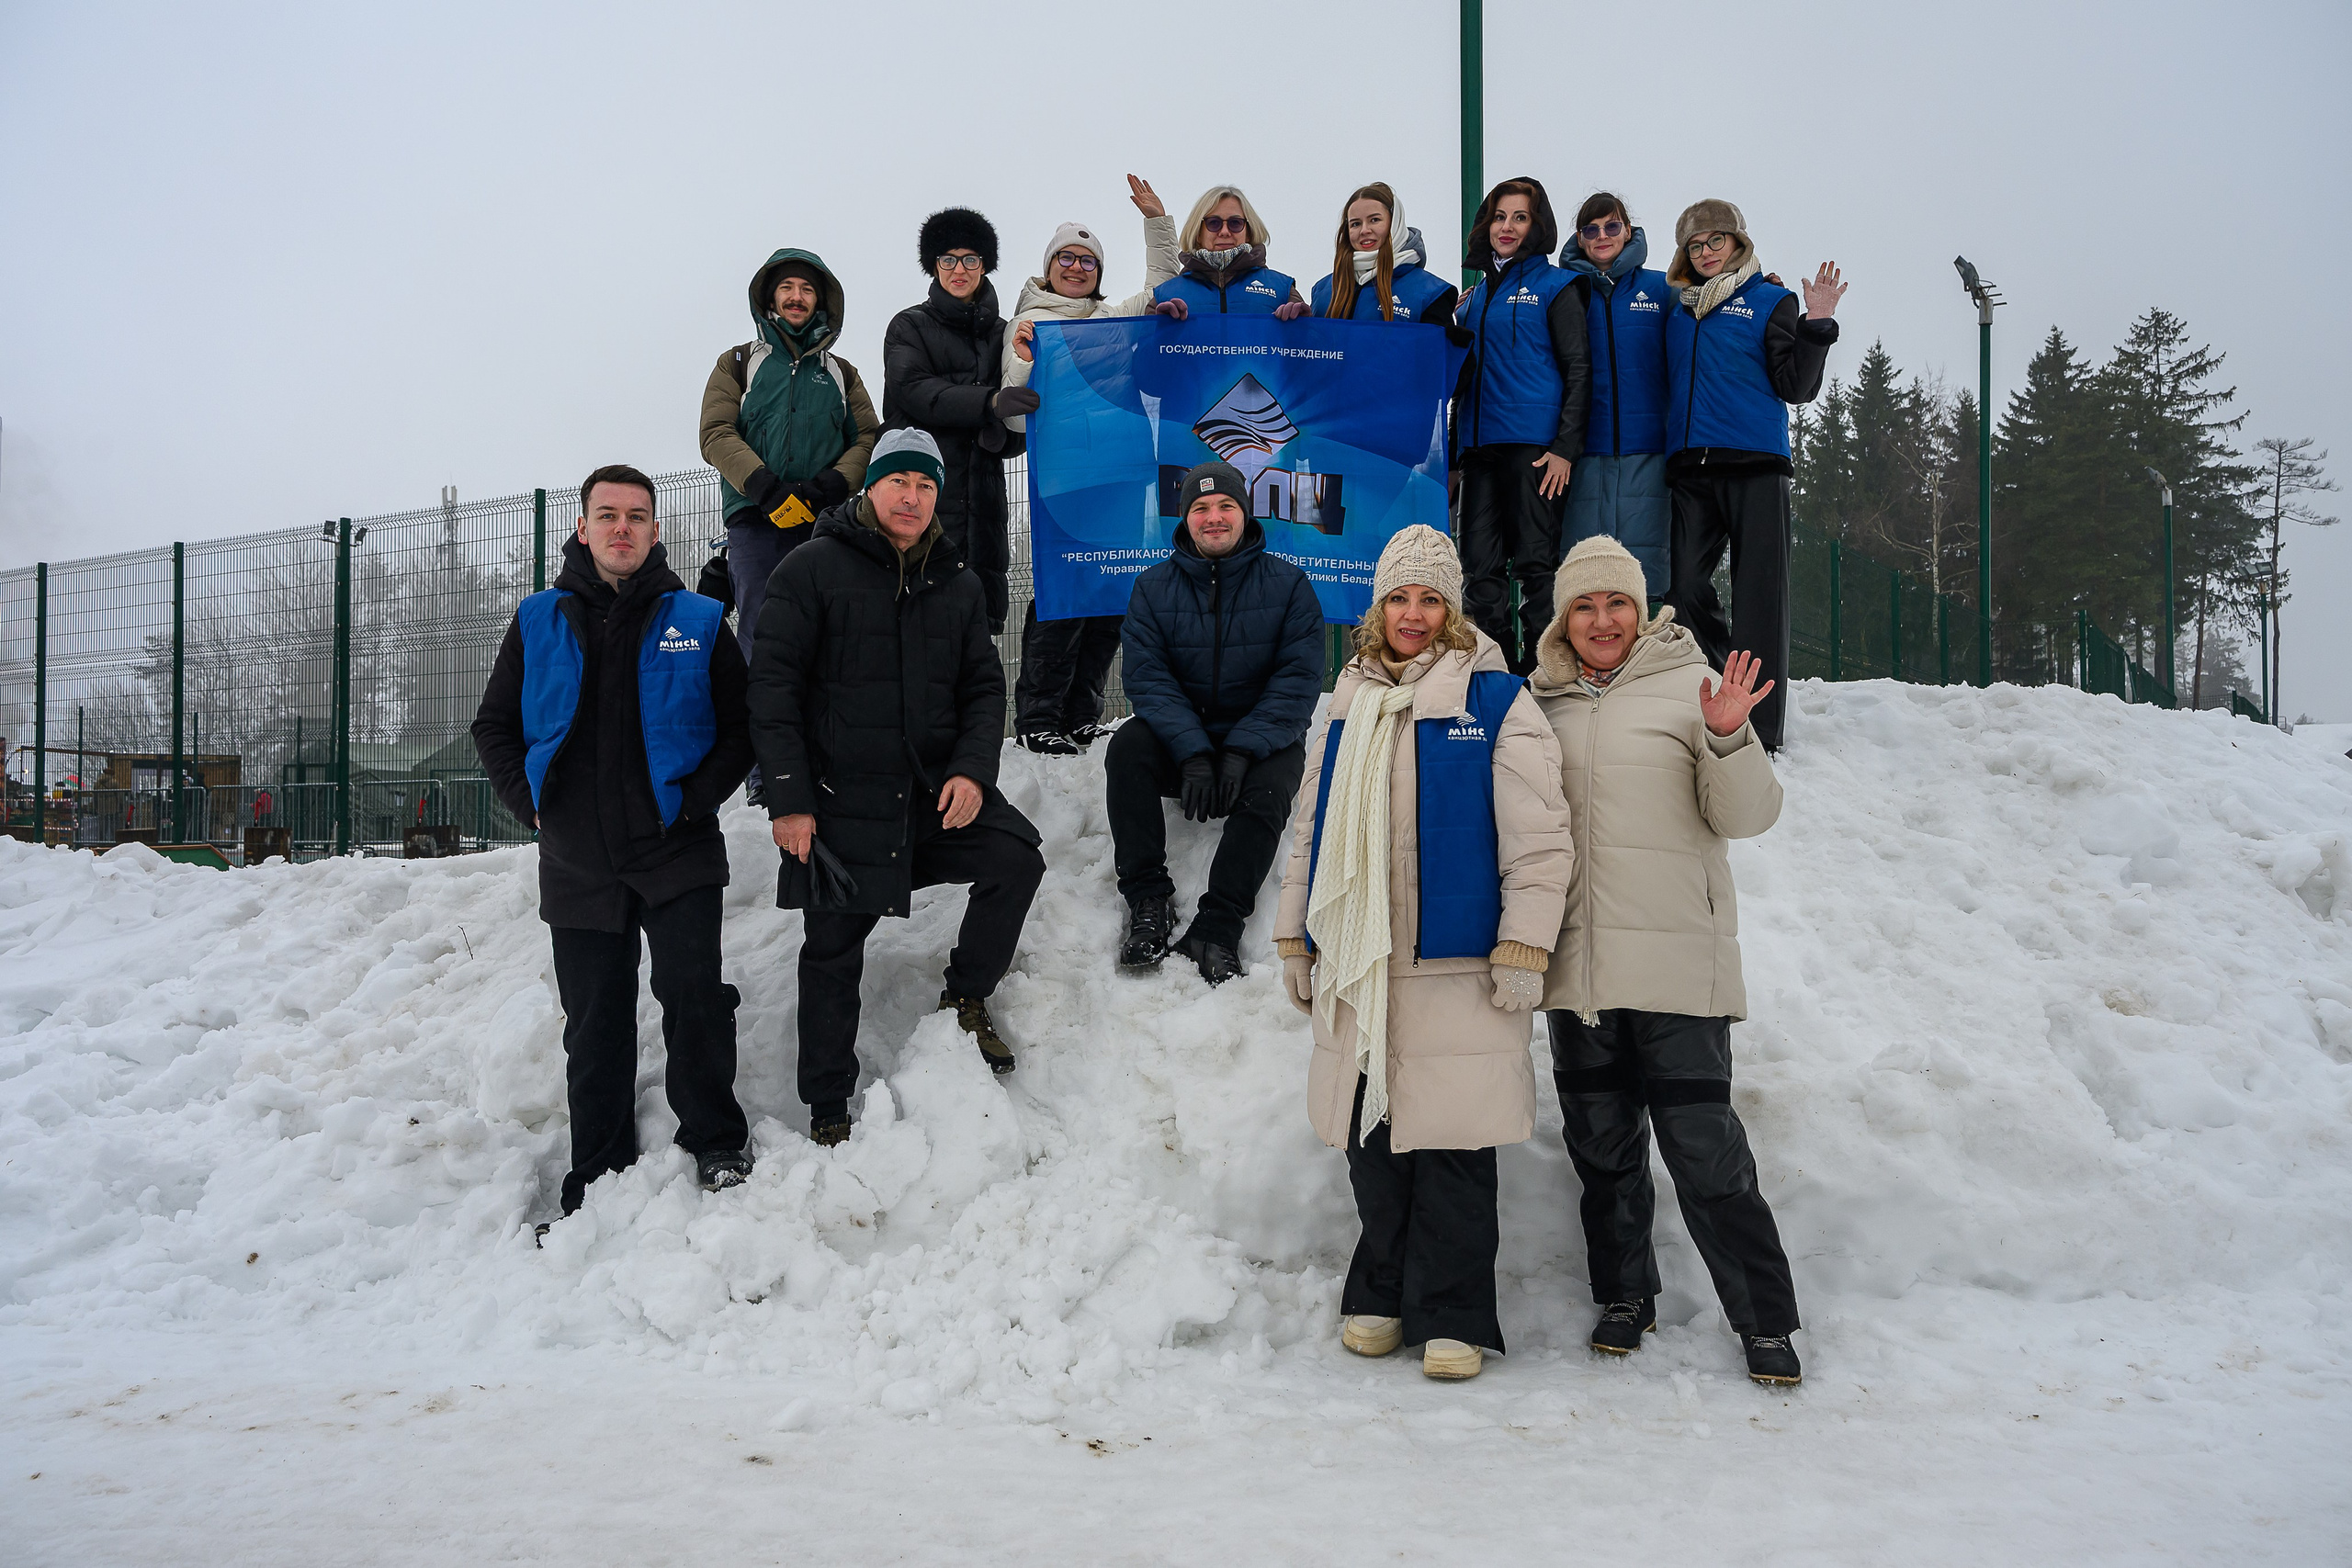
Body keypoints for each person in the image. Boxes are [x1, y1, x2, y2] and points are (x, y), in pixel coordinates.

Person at [1275, 525, 1572, 1382]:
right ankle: (1381, 1291)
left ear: (1451, 609)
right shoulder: (1346, 700)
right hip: (1363, 960)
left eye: (1428, 598)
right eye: (1398, 597)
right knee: (1374, 1137)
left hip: (1458, 961)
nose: (1412, 613)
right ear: (1378, 608)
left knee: (1454, 1142)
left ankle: (1454, 1311)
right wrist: (1296, 932)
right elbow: (1309, 830)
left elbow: (1539, 839)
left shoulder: (1496, 700)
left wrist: (1525, 941)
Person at [1527, 533, 1802, 1386]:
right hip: (1581, 974)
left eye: (1616, 604)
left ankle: (1765, 1321)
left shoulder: (1694, 687)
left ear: (1641, 612)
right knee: (1602, 1151)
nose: (1602, 620)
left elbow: (1748, 816)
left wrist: (1728, 737)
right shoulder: (1541, 705)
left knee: (1705, 1152)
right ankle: (1624, 1294)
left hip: (1680, 968)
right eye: (1585, 605)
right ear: (1564, 619)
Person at [471, 464, 756, 1224]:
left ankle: (718, 1141)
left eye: (637, 515)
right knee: (594, 1018)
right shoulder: (538, 619)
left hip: (678, 849)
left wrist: (696, 800)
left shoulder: (696, 618)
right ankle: (597, 1167)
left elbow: (744, 726)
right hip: (578, 857)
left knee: (695, 998)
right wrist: (531, 802)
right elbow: (493, 726)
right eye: (608, 515)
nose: (623, 527)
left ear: (656, 530)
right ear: (583, 528)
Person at [747, 429, 1045, 1147]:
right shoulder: (812, 568)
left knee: (1016, 858)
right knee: (831, 950)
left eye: (926, 485)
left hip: (932, 796)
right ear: (871, 488)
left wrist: (974, 769)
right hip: (841, 802)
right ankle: (827, 1106)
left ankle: (967, 994)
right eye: (899, 482)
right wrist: (789, 797)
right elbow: (772, 689)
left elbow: (982, 686)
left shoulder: (959, 581)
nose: (912, 498)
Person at [1108, 461, 1325, 985]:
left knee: (1273, 789)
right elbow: (1147, 679)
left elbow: (1297, 682)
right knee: (1127, 749)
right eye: (1201, 508)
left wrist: (1242, 749)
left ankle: (1217, 926)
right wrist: (1194, 752)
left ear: (1244, 513)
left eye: (1226, 505)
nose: (1214, 517)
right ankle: (1148, 901)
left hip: (1260, 741)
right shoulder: (1152, 588)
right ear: (1184, 520)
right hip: (1186, 741)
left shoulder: (1290, 585)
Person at [1001, 175, 1182, 756]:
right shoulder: (1029, 324)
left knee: (1112, 594)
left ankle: (1082, 712)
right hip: (1066, 479)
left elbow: (1162, 288)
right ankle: (1038, 715)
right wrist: (1028, 364)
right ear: (1049, 267)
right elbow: (1012, 411)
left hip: (1123, 472)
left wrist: (1158, 224)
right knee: (1063, 593)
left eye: (1087, 260)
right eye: (1066, 258)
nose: (1076, 267)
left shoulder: (1114, 318)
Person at [1658, 198, 1846, 751]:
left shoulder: (1771, 300)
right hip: (1691, 467)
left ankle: (1761, 729)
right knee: (1686, 590)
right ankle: (1723, 686)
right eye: (1696, 245)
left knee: (1759, 597)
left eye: (1717, 241)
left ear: (1738, 243)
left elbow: (1797, 388)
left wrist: (1817, 324)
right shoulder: (1677, 310)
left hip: (1757, 466)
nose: (1707, 252)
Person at [698, 248, 879, 716]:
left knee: (830, 632)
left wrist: (829, 488)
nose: (796, 297)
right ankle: (761, 768)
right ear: (770, 299)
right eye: (787, 288)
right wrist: (765, 488)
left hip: (826, 523)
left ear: (820, 302)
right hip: (755, 520)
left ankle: (822, 758)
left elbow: (868, 439)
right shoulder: (737, 363)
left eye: (806, 289)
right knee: (762, 630)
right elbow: (716, 433)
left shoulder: (842, 374)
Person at [1453, 177, 1590, 676]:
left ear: (1537, 226)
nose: (1507, 227)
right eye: (1499, 216)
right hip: (1480, 449)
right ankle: (1495, 678)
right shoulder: (1474, 297)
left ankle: (1545, 675)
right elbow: (1461, 383)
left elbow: (1579, 368)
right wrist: (1453, 457)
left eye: (1520, 217)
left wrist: (1564, 448)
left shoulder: (1556, 287)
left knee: (1537, 568)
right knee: (1479, 570)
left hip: (1536, 449)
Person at [883, 209, 1028, 635]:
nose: (959, 269)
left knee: (977, 647)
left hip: (984, 507)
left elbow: (1011, 431)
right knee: (918, 631)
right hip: (921, 498)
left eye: (970, 259)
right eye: (947, 259)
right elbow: (915, 391)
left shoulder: (1004, 334)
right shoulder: (909, 325)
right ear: (933, 266)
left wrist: (1007, 425)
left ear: (985, 265)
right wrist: (990, 403)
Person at [1557, 192, 1673, 598]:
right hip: (1582, 454)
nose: (1602, 236)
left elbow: (1708, 307)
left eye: (1612, 226)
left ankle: (1651, 659)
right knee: (1584, 579)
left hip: (1649, 453)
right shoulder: (1565, 291)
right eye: (1591, 229)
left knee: (1647, 576)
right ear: (1580, 237)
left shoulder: (1662, 288)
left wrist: (1757, 282)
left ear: (1628, 229)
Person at [1149, 186, 1309, 321]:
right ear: (1198, 233)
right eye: (1214, 223)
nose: (1225, 232)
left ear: (1249, 232)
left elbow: (1311, 352)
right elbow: (1140, 353)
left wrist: (1302, 327)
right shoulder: (1164, 296)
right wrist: (1159, 329)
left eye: (1235, 223)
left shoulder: (1282, 290)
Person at [1309, 182, 1458, 325]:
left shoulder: (1430, 293)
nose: (1364, 230)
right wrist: (1299, 321)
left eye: (1374, 220)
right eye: (1355, 223)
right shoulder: (1323, 290)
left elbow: (1437, 350)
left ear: (1395, 224)